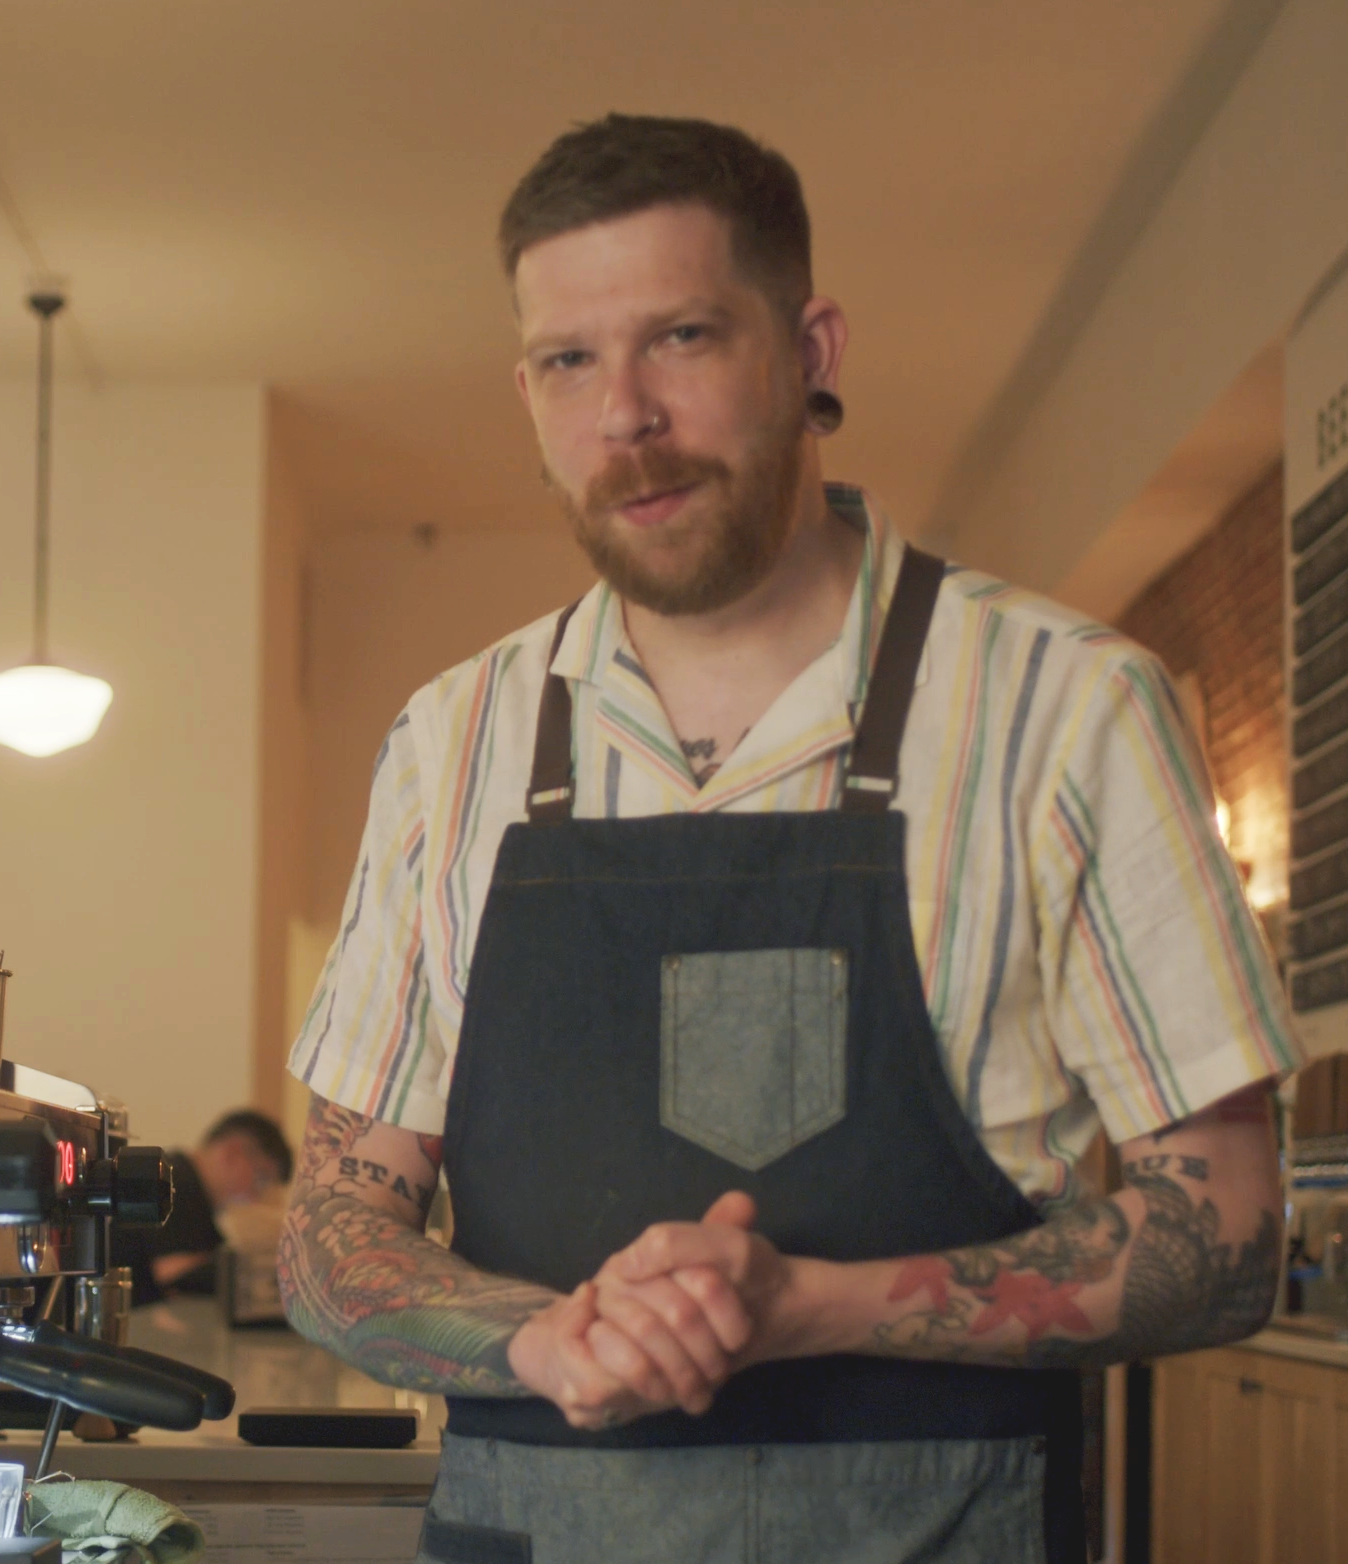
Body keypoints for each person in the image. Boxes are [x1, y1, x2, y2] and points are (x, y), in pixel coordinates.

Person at [278, 115, 1299, 1563]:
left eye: (682, 336)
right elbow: (331, 1234)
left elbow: (1232, 1240)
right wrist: (555, 1341)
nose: (624, 414)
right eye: (570, 360)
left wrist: (804, 1307)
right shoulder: (454, 746)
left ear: (812, 348)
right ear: (527, 390)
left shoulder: (1064, 709)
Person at [116, 1109, 292, 1306]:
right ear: (232, 1153)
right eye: (261, 1178)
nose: (257, 1195)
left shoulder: (182, 1180)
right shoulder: (177, 1184)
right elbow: (174, 1274)